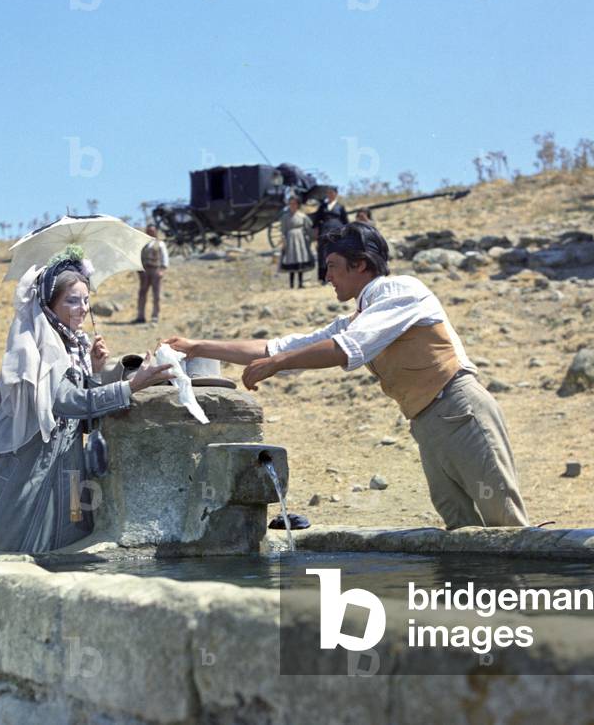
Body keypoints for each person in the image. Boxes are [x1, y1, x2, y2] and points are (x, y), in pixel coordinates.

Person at [166, 222, 529, 529]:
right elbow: (278, 346)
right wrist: (198, 347)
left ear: (361, 265)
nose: (327, 277)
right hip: (427, 421)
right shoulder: (361, 314)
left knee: (504, 522)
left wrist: (278, 364)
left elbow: (346, 348)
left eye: (333, 266)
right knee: (459, 525)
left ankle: (528, 604)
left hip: (459, 409)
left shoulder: (398, 290)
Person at [0, 245, 172, 555]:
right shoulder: (39, 347)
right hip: (32, 468)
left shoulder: (74, 344)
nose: (83, 309)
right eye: (72, 301)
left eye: (87, 300)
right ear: (49, 304)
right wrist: (131, 386)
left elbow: (86, 421)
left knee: (71, 535)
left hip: (69, 467)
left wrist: (95, 370)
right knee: (7, 539)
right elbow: (68, 403)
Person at [311, 186, 349, 283]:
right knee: (323, 254)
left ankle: (339, 276)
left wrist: (346, 233)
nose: (330, 195)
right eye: (328, 193)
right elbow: (316, 221)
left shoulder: (340, 207)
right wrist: (315, 233)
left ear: (336, 194)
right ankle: (323, 278)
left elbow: (345, 221)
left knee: (337, 253)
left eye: (332, 193)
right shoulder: (322, 207)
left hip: (337, 232)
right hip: (324, 232)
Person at [135, 225, 169, 324]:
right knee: (142, 293)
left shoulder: (160, 244)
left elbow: (164, 258)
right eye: (148, 231)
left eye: (152, 231)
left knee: (156, 294)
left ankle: (155, 315)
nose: (150, 233)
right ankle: (140, 315)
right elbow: (138, 257)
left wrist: (162, 270)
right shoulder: (143, 244)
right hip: (144, 271)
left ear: (155, 232)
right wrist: (139, 270)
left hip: (155, 270)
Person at [279, 196, 315, 289]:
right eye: (290, 204)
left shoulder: (302, 216)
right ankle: (291, 284)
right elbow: (283, 230)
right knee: (291, 259)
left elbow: (308, 227)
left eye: (294, 203)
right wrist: (283, 240)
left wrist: (311, 238)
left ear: (298, 205)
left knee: (300, 258)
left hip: (300, 239)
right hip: (290, 239)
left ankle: (300, 283)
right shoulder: (285, 217)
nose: (292, 205)